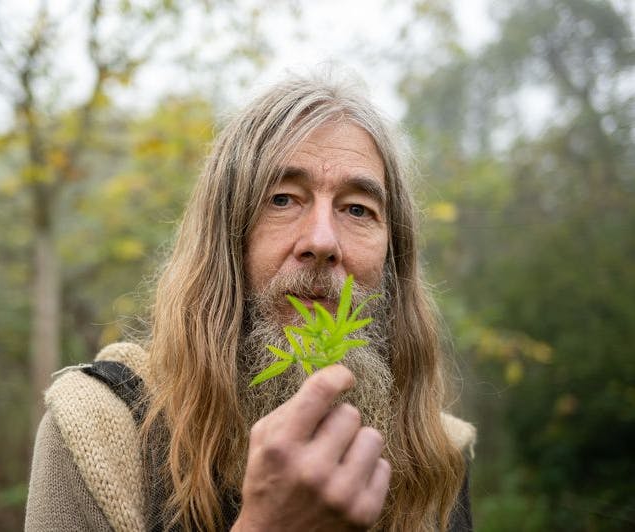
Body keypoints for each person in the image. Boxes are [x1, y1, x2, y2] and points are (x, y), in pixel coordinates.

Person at [25, 73, 476, 531]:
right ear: (226, 239)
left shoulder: (442, 455)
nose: (322, 241)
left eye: (357, 209)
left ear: (391, 258)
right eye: (282, 199)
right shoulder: (97, 431)